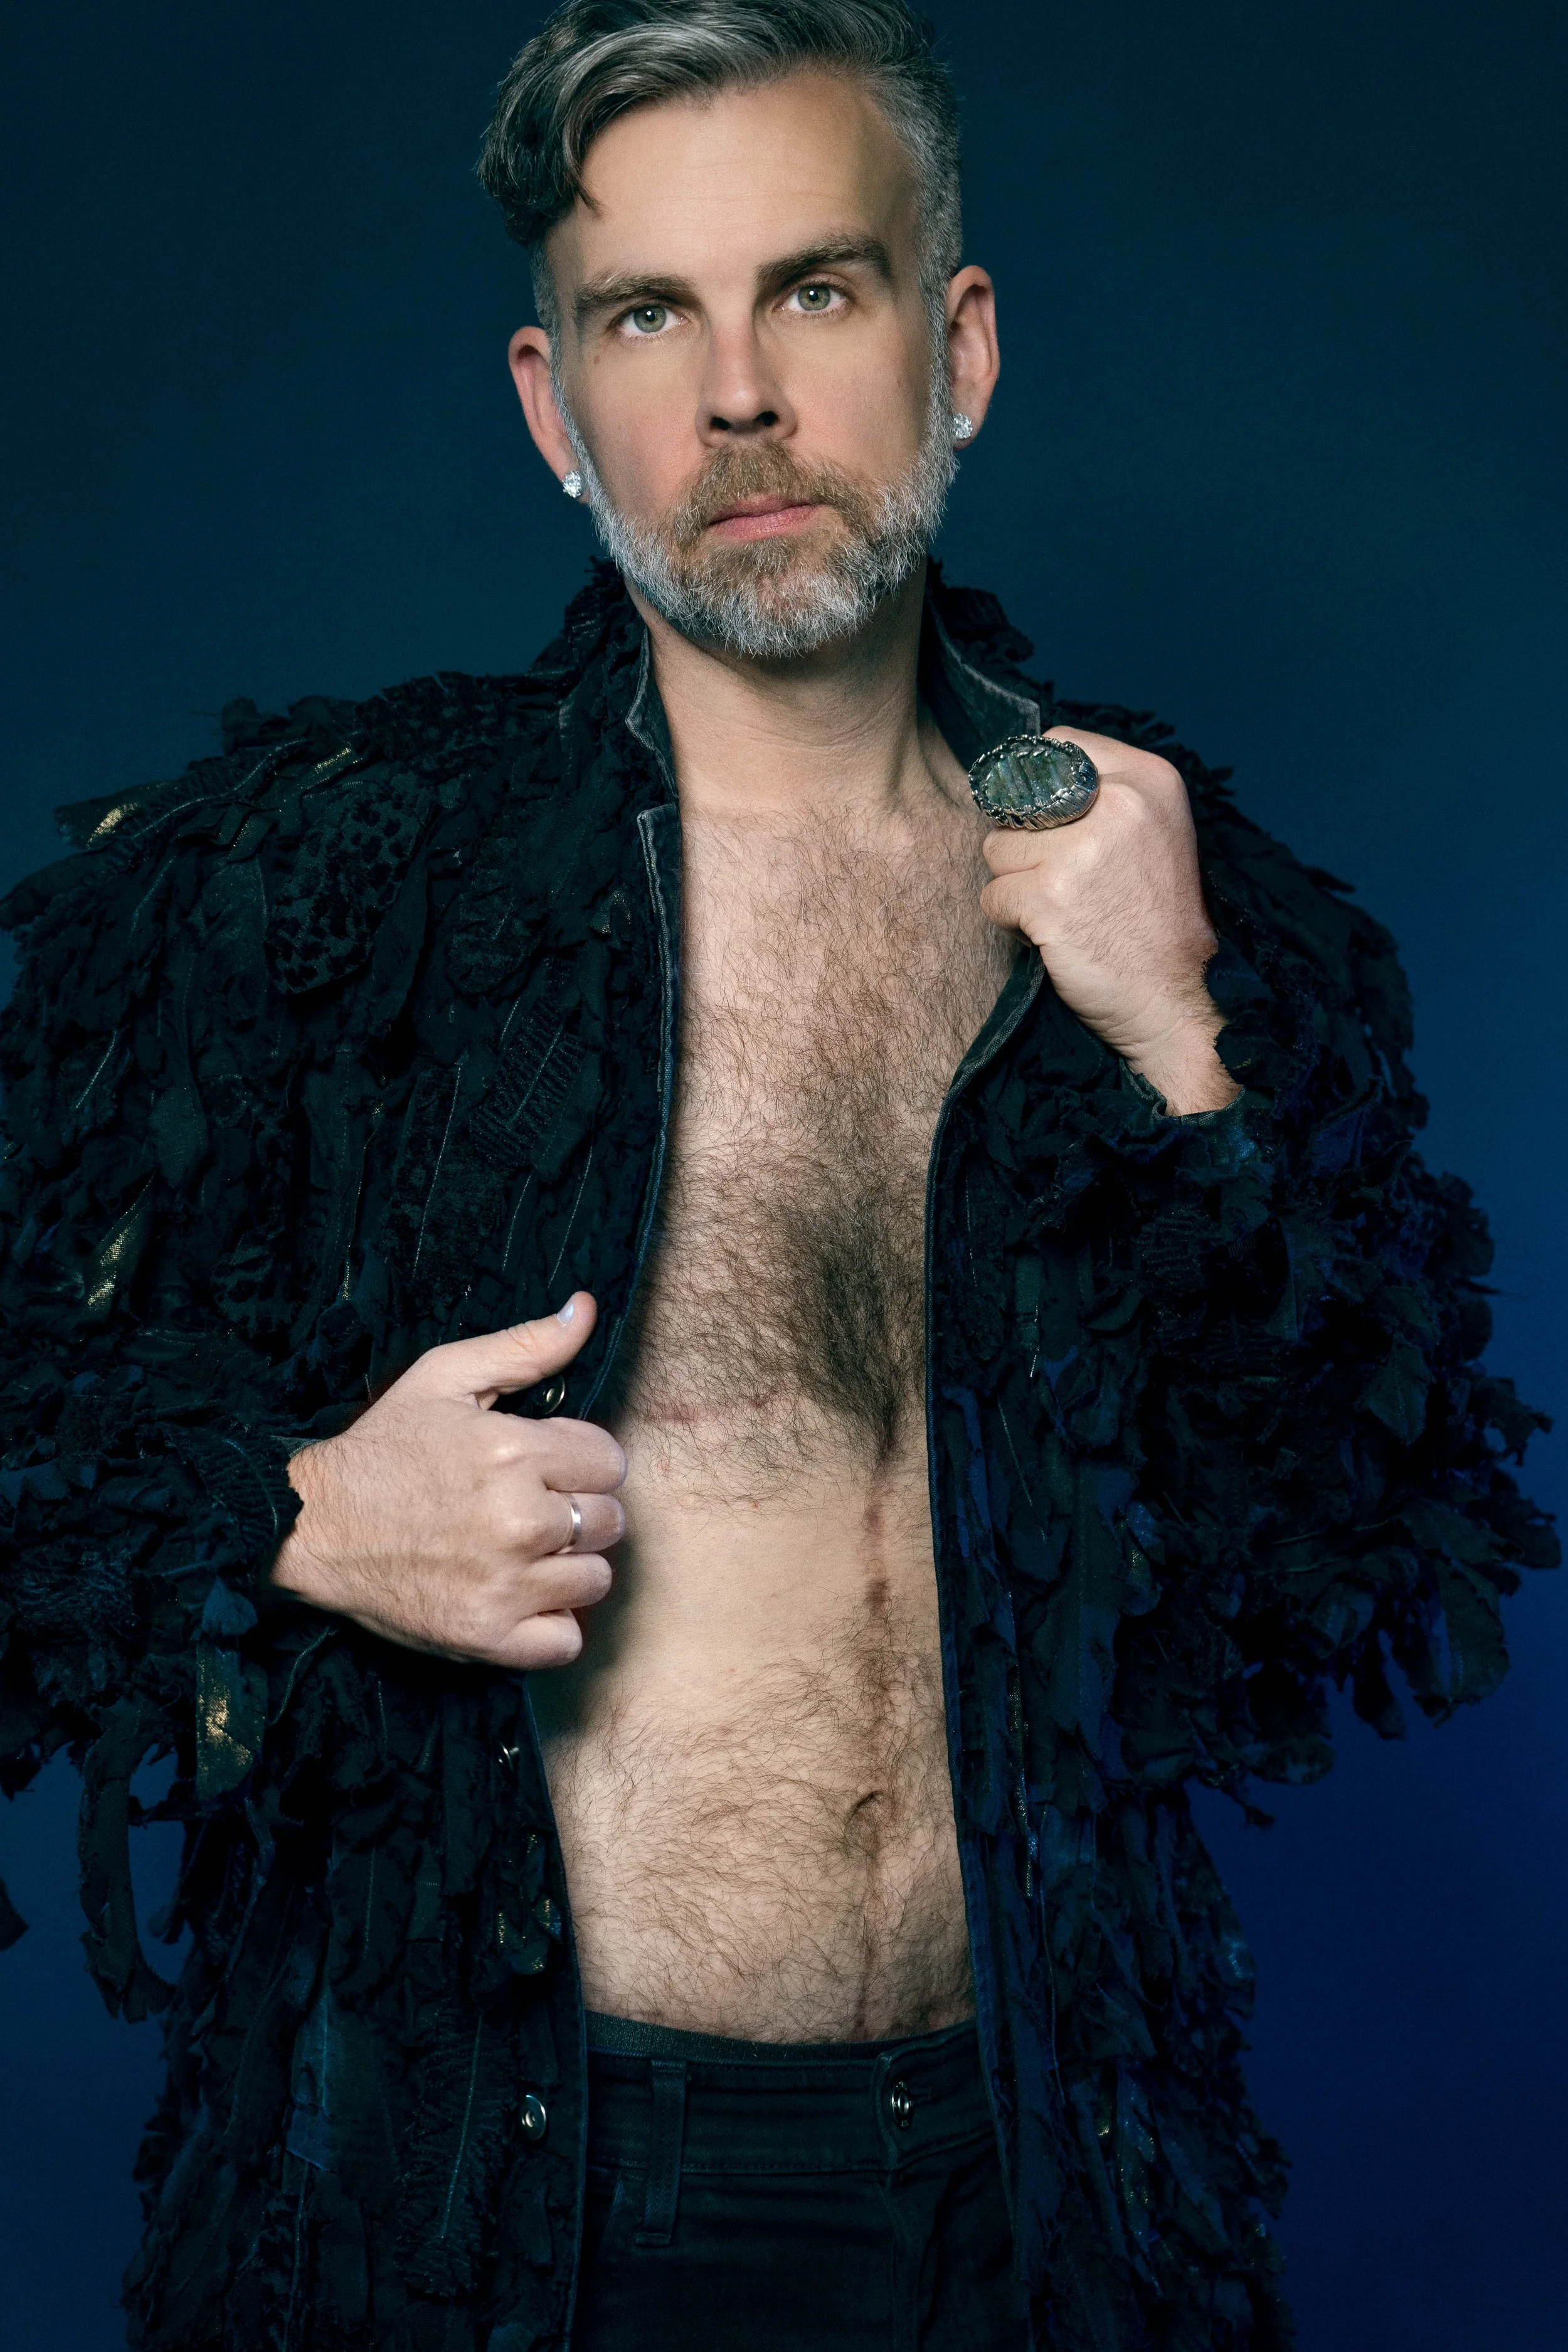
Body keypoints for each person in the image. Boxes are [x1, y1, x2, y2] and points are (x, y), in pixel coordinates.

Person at [0, 1, 1552, 2346]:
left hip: (1048, 2180)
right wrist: (299, 1508)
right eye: (650, 312)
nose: (738, 394)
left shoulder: (1201, 908)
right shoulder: (323, 889)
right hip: (501, 2204)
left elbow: (1349, 1553)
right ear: (553, 401)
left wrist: (1177, 1049)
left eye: (814, 290)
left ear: (960, 349)